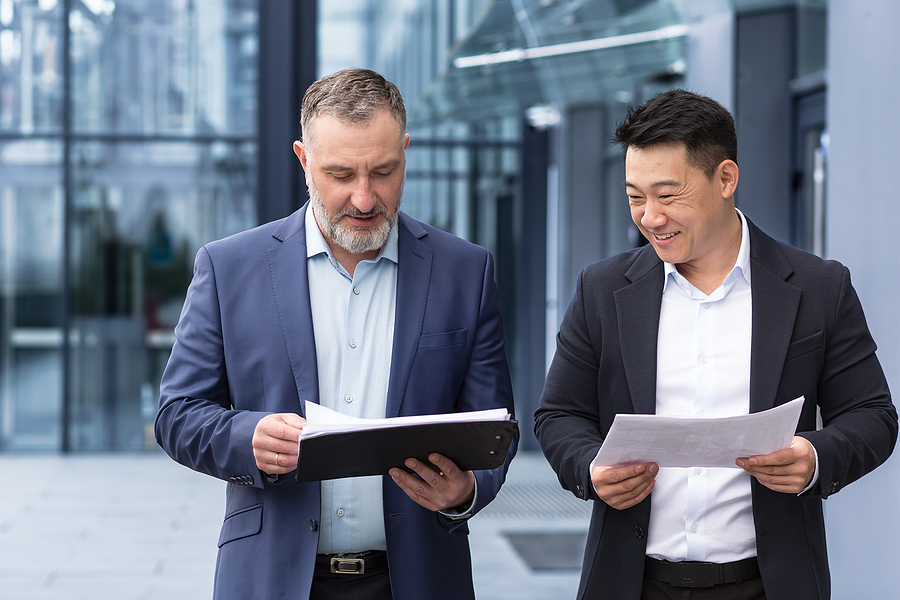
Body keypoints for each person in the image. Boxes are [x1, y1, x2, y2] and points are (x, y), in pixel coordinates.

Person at [155, 68, 517, 600]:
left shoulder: (466, 271)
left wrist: (466, 491)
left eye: (384, 172)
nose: (365, 199)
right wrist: (245, 438)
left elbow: (495, 428)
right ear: (304, 161)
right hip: (272, 577)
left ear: (406, 153)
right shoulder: (228, 267)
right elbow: (177, 414)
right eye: (341, 174)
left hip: (417, 579)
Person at [534, 89, 897, 600]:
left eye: (667, 194)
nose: (649, 217)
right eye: (635, 196)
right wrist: (591, 468)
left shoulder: (819, 288)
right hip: (632, 582)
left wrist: (813, 456)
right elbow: (558, 415)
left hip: (770, 584)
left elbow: (874, 416)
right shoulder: (603, 289)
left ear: (725, 179)